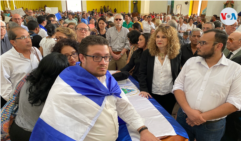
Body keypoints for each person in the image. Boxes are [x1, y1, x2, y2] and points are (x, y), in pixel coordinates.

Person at [29, 35, 159, 141]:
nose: (103, 62)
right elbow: (55, 126)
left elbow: (123, 106)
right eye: (96, 57)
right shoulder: (67, 84)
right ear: (82, 58)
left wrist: (143, 130)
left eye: (106, 57)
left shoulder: (107, 78)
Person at [173, 29, 241, 141]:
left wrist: (201, 117)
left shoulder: (236, 70)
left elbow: (235, 102)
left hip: (212, 125)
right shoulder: (191, 62)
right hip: (184, 117)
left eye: (203, 43)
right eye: (199, 42)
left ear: (218, 46)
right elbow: (178, 86)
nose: (198, 45)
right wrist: (189, 111)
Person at [9, 53, 69, 141]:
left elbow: (14, 99)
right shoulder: (56, 92)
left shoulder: (26, 81)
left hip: (17, 128)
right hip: (37, 135)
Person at [139, 25, 181, 114]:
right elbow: (142, 72)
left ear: (170, 39)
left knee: (166, 117)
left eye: (163, 37)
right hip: (151, 93)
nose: (159, 39)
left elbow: (178, 74)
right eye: (157, 37)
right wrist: (143, 89)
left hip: (169, 95)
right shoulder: (147, 53)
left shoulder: (176, 54)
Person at [0, 27, 42, 108]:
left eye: (29, 36)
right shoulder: (4, 60)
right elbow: (4, 88)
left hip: (37, 99)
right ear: (13, 42)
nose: (28, 40)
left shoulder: (36, 51)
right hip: (19, 104)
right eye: (23, 37)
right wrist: (16, 104)